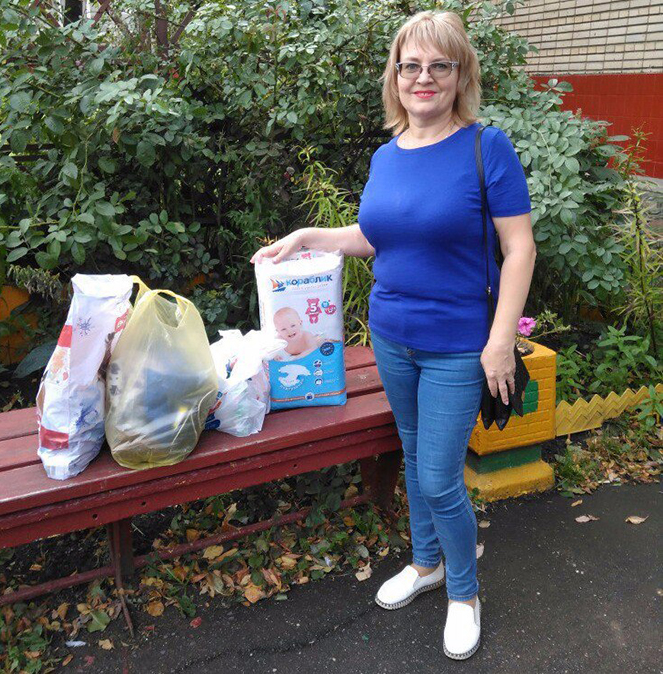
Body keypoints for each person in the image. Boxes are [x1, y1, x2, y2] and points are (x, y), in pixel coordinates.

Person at [251, 9, 535, 661]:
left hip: (458, 343)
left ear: (460, 74)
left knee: (438, 477)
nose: (423, 77)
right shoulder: (387, 154)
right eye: (411, 65)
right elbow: (376, 236)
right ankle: (426, 563)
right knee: (412, 455)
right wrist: (306, 236)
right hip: (391, 335)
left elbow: (519, 248)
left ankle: (463, 593)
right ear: (395, 76)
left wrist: (499, 340)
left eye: (439, 65)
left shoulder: (485, 147)